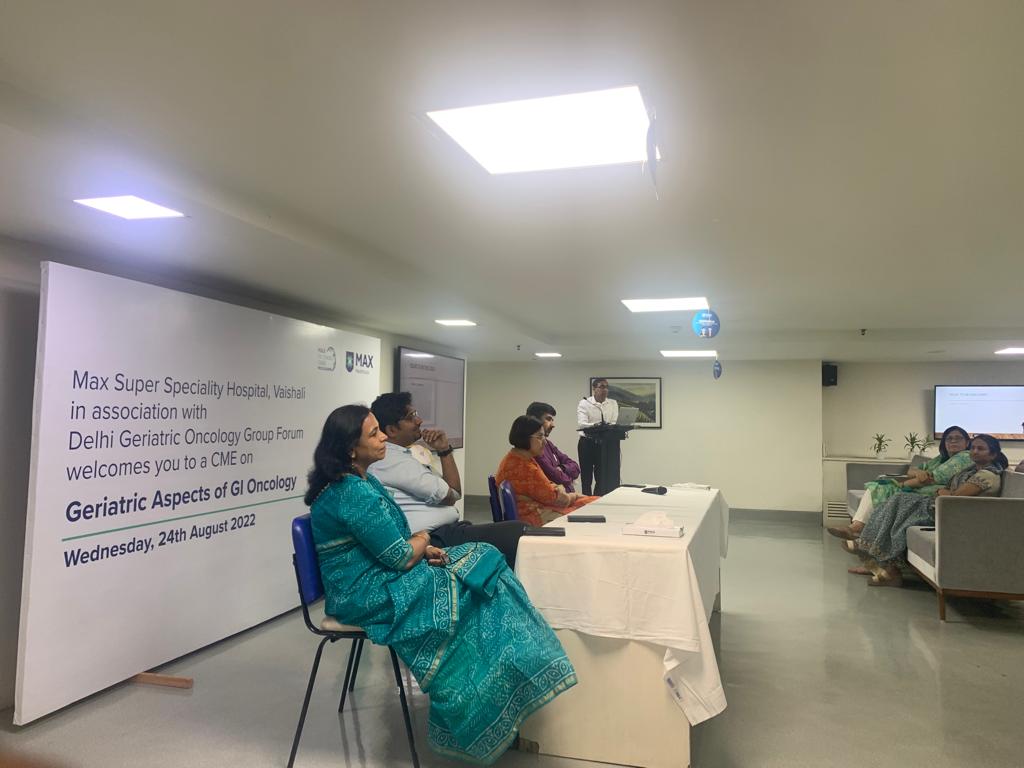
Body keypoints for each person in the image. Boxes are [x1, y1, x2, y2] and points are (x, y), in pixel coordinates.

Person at [305, 404, 577, 764]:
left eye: (380, 430)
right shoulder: (350, 492)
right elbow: (400, 556)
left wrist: (423, 547)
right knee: (476, 591)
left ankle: (503, 694)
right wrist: (421, 541)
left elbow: (396, 547)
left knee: (485, 559)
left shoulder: (362, 481)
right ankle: (479, 704)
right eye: (374, 433)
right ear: (350, 449)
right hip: (367, 593)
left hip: (385, 573)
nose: (383, 437)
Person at [368, 392, 526, 567]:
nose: (419, 420)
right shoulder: (392, 461)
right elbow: (452, 495)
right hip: (435, 538)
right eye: (411, 416)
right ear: (392, 430)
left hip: (446, 532)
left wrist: (443, 450)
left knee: (519, 535)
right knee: (517, 533)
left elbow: (453, 492)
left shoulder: (402, 457)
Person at [851, 434, 1008, 587]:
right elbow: (948, 490)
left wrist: (941, 492)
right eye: (973, 448)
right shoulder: (971, 470)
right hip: (942, 508)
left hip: (955, 517)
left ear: (993, 454)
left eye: (981, 449)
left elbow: (955, 497)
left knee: (900, 510)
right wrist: (942, 492)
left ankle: (873, 553)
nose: (975, 451)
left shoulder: (987, 474)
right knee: (896, 502)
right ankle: (880, 560)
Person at [827, 425, 972, 542]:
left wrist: (903, 485)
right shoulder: (941, 459)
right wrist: (918, 472)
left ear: (967, 443)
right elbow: (912, 470)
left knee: (882, 488)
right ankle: (857, 528)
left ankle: (857, 529)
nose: (953, 441)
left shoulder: (964, 456)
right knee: (878, 486)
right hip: (919, 489)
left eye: (958, 438)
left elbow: (931, 479)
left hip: (932, 493)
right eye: (949, 438)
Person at [496, 415, 599, 527]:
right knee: (593, 509)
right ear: (525, 437)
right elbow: (558, 499)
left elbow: (550, 487)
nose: (544, 442)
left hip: (535, 510)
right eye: (540, 437)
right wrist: (574, 495)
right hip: (535, 516)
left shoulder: (516, 458)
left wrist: (560, 490)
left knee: (593, 502)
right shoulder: (525, 468)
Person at [576, 377, 619, 495]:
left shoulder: (612, 403)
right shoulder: (585, 403)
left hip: (604, 444)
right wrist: (597, 425)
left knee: (601, 476)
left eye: (607, 387)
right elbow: (582, 424)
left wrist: (604, 426)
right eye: (602, 387)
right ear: (594, 389)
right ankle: (586, 500)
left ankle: (597, 499)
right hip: (587, 443)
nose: (605, 390)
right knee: (586, 476)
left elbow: (613, 422)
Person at [526, 401, 580, 492]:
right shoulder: (533, 447)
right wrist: (570, 479)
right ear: (535, 420)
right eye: (548, 419)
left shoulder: (548, 443)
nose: (553, 425)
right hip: (558, 498)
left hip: (567, 496)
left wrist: (562, 468)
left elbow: (576, 467)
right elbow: (557, 478)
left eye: (552, 420)